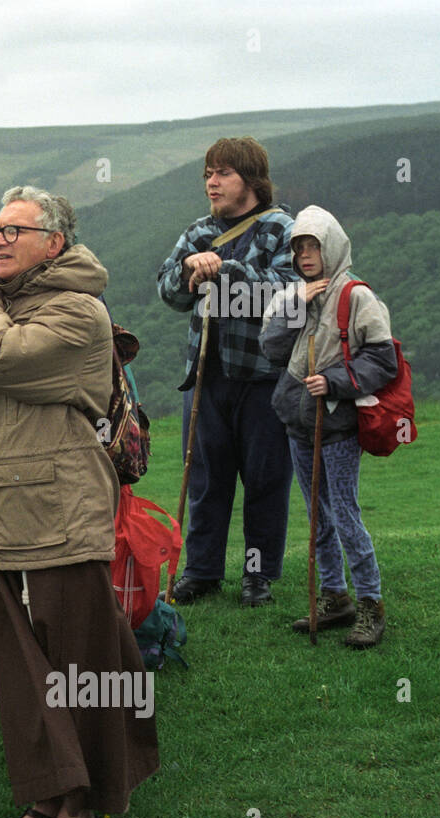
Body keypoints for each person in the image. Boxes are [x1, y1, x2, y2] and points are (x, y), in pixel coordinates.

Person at [0, 186, 159, 818]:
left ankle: (85, 803)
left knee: (78, 663)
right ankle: (47, 794)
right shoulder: (11, 308)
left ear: (55, 243)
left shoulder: (76, 312)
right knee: (25, 668)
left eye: (16, 230)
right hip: (7, 513)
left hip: (60, 513)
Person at [157, 137, 297, 607]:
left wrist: (225, 272)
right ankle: (201, 572)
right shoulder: (199, 232)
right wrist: (187, 274)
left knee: (265, 480)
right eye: (207, 175)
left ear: (252, 181)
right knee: (204, 479)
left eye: (223, 174)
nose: (212, 183)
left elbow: (289, 300)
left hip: (264, 378)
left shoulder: (281, 230)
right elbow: (168, 294)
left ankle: (257, 576)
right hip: (206, 376)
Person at [259, 206, 395, 647]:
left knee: (344, 515)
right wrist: (293, 307)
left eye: (312, 245)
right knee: (317, 516)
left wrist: (334, 381)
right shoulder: (296, 294)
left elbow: (382, 360)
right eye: (299, 247)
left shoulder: (357, 296)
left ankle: (371, 605)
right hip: (299, 423)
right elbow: (274, 351)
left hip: (336, 426)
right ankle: (335, 598)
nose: (305, 254)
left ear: (331, 245)